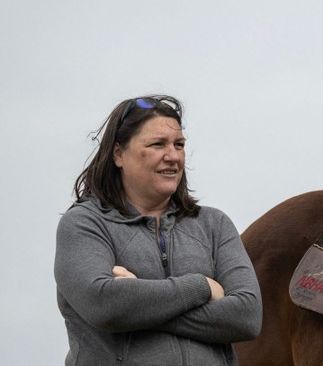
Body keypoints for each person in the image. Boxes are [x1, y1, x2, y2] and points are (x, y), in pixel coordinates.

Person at [55, 95, 262, 365]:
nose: (173, 156)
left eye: (179, 145)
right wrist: (201, 287)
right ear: (119, 154)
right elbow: (104, 305)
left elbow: (247, 317)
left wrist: (138, 301)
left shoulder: (214, 225)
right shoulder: (84, 224)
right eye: (157, 144)